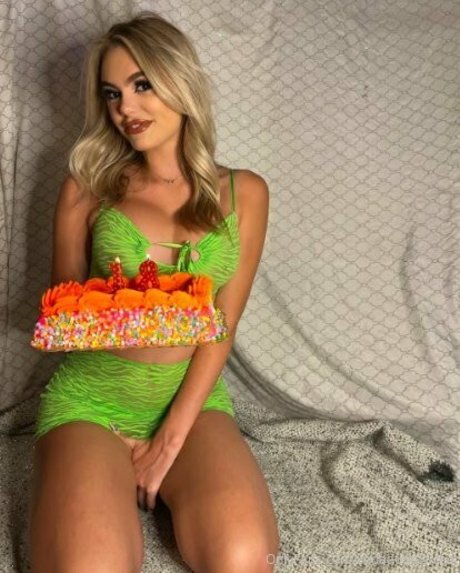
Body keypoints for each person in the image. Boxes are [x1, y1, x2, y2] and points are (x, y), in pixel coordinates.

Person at [27, 10, 280, 573]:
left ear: (179, 80)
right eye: (112, 93)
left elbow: (223, 324)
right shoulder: (86, 188)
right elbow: (64, 314)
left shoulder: (245, 193)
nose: (125, 108)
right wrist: (116, 309)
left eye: (142, 85)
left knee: (243, 559)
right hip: (91, 402)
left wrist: (171, 438)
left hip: (190, 400)